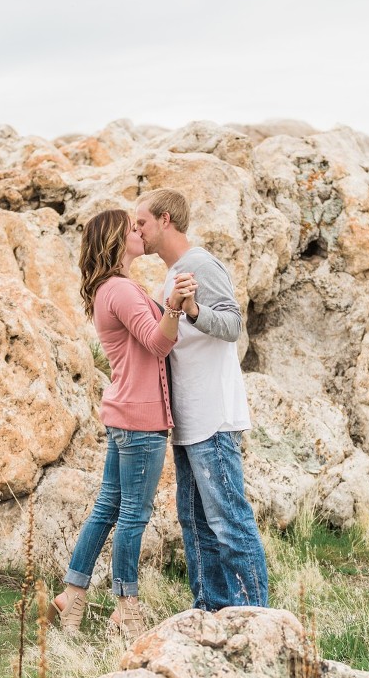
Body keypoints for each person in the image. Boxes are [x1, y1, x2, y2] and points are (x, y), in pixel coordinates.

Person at [48, 208, 197, 640]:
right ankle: (126, 608)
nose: (138, 232)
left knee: (108, 508)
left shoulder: (108, 289)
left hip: (125, 413)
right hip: (140, 418)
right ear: (115, 240)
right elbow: (157, 343)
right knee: (133, 513)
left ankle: (73, 592)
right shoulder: (122, 290)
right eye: (131, 228)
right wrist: (172, 308)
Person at [134, 188, 269, 612]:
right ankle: (210, 611)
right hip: (187, 422)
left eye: (142, 222)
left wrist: (193, 311)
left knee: (229, 522)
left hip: (213, 417)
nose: (137, 231)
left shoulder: (201, 265)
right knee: (194, 524)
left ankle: (256, 619)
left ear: (165, 220)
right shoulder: (170, 275)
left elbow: (232, 325)